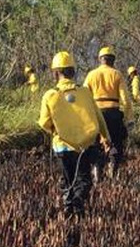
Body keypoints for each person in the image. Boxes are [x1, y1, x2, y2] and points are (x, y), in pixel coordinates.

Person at [38, 51, 110, 216]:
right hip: (85, 146)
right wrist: (106, 138)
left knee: (67, 179)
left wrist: (54, 130)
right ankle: (78, 204)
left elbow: (44, 122)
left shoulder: (50, 95)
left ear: (56, 73)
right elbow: (98, 118)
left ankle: (68, 207)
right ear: (73, 71)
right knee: (83, 179)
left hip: (61, 146)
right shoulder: (85, 92)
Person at [85, 46, 133, 175]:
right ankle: (113, 171)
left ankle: (96, 173)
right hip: (113, 114)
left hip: (96, 114)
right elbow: (126, 100)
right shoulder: (117, 74)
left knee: (95, 145)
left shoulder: (91, 75)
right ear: (113, 60)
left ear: (100, 60)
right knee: (116, 143)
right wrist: (128, 118)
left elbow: (85, 97)